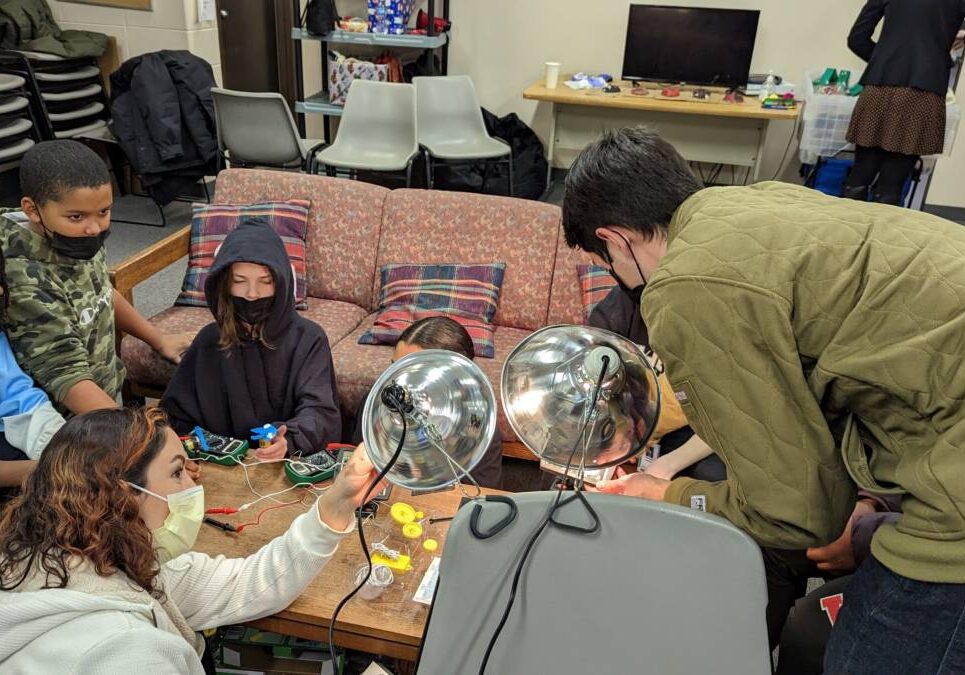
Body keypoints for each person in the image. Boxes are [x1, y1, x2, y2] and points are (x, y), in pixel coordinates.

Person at [562, 126, 965, 673]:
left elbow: (798, 514)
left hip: (952, 482)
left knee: (863, 655)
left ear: (614, 239)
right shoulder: (758, 201)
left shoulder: (685, 285)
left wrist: (668, 496)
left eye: (605, 260)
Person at [0, 406, 379, 673]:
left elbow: (250, 583)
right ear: (121, 493)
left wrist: (336, 503)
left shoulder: (82, 557)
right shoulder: (123, 651)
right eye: (178, 473)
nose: (192, 484)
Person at [0, 140, 191, 415]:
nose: (94, 228)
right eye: (76, 216)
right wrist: (133, 436)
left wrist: (158, 339)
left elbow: (101, 292)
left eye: (104, 212)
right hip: (68, 424)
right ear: (32, 209)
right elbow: (66, 375)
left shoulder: (72, 237)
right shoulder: (23, 280)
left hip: (104, 395)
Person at [161, 218, 341, 460]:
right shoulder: (209, 340)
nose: (252, 294)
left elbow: (320, 413)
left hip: (285, 466)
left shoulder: (309, 339)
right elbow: (174, 416)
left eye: (265, 282)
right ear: (223, 285)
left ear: (282, 283)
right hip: (220, 467)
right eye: (239, 281)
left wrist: (289, 439)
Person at [350, 317, 503, 489]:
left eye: (414, 374)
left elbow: (481, 497)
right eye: (395, 368)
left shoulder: (479, 427)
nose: (397, 384)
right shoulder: (377, 402)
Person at [842, 0, 965, 205]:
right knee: (891, 188)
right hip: (923, 93)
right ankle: (880, 236)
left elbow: (857, 39)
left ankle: (842, 234)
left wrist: (885, 61)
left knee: (858, 179)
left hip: (879, 88)